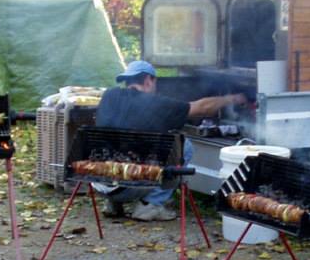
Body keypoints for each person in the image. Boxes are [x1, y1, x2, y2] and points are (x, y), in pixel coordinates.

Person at [95, 60, 248, 221]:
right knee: (183, 145)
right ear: (149, 80)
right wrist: (232, 98)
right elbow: (202, 108)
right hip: (130, 187)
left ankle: (112, 203)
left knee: (120, 148)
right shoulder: (155, 104)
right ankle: (150, 205)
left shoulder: (109, 95)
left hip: (98, 182)